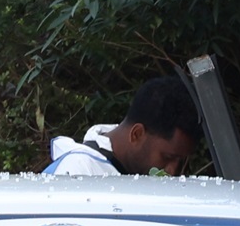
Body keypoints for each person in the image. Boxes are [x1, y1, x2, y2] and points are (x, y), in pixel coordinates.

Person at [44, 75, 202, 177]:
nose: (172, 171)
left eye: (180, 162)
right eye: (168, 157)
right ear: (137, 134)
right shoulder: (78, 172)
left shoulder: (134, 175)